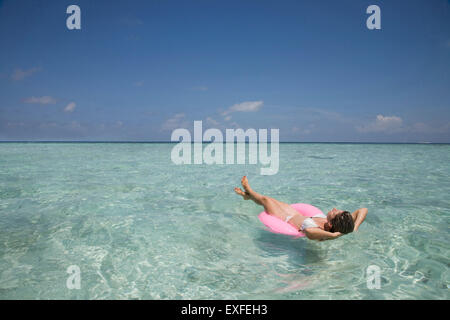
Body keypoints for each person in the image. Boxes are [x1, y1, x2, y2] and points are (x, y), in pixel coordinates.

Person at [234, 176, 368, 241]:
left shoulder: (318, 231)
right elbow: (363, 210)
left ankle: (249, 191)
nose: (333, 208)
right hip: (294, 213)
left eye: (334, 212)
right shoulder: (329, 224)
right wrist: (354, 228)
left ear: (332, 224)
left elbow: (310, 233)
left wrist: (333, 235)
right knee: (272, 200)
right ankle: (249, 197)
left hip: (285, 219)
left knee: (266, 200)